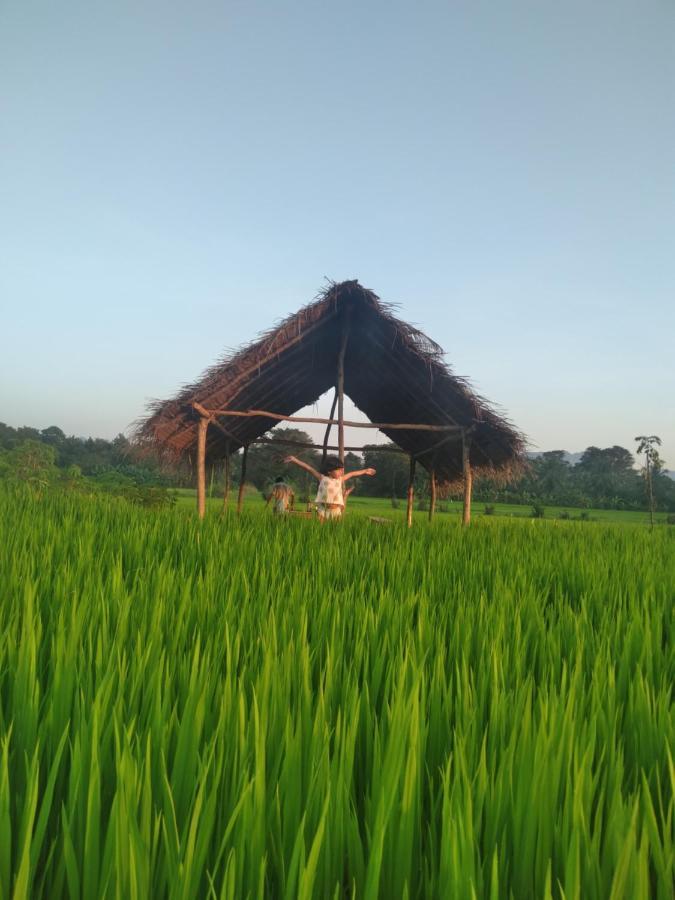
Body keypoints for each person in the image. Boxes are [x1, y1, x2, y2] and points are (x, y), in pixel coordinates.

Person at [284, 454, 375, 521]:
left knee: (335, 532)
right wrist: (294, 460)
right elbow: (308, 468)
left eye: (342, 469)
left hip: (335, 511)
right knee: (321, 532)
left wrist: (365, 471)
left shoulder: (340, 479)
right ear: (329, 471)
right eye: (338, 470)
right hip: (322, 510)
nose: (341, 472)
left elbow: (352, 474)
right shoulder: (322, 478)